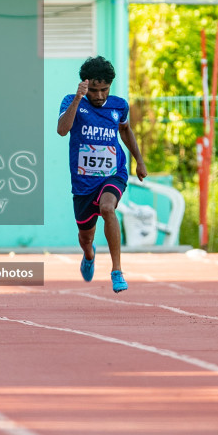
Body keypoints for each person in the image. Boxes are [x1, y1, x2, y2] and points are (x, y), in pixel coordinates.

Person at [56, 56, 146, 293]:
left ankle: (117, 271)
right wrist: (78, 98)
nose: (98, 96)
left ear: (110, 86)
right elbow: (62, 130)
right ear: (85, 86)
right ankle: (89, 255)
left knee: (108, 208)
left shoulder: (119, 105)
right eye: (93, 90)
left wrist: (139, 160)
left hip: (113, 173)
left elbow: (125, 130)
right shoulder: (72, 101)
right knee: (86, 239)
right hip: (84, 183)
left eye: (104, 90)